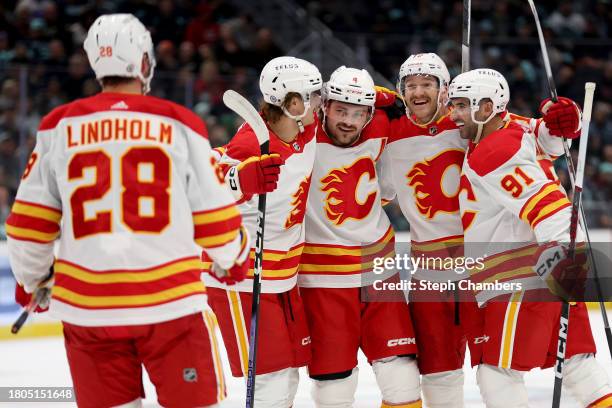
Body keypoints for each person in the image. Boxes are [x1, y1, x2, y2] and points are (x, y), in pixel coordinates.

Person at [6, 14, 252, 408]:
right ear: (143, 62)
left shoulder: (59, 126)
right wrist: (235, 259)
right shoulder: (178, 123)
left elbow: (28, 226)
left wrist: (33, 279)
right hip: (169, 307)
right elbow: (216, 219)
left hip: (89, 313)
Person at [376, 52, 583, 407]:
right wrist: (376, 102)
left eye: (427, 84)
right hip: (430, 271)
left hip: (481, 268)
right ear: (401, 90)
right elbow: (368, 182)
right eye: (410, 86)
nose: (418, 92)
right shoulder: (388, 133)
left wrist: (563, 122)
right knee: (438, 371)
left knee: (495, 368)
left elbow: (538, 137)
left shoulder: (469, 119)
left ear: (443, 91)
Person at [449, 67, 612, 408]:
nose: (454, 115)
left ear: (487, 107)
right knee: (579, 367)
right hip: (546, 271)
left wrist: (565, 258)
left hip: (517, 277)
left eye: (463, 105)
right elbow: (552, 132)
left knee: (496, 372)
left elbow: (549, 207)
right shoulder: (515, 126)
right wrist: (567, 118)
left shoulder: (492, 152)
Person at [202, 56, 322, 407]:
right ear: (293, 102)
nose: (322, 102)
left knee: (287, 376)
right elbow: (198, 182)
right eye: (314, 96)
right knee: (271, 378)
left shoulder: (308, 129)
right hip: (242, 278)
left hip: (282, 276)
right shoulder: (249, 145)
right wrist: (239, 180)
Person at [298, 66, 421, 408]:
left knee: (403, 377)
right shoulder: (301, 134)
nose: (349, 121)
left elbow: (428, 113)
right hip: (322, 277)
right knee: (334, 384)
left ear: (369, 113)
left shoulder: (382, 125)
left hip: (379, 267)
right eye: (341, 110)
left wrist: (387, 97)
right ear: (323, 105)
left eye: (358, 113)